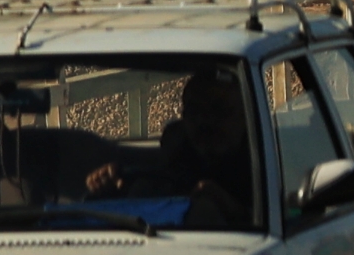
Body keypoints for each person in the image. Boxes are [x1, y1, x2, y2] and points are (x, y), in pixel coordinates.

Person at [86, 64, 255, 229]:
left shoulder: (265, 162)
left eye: (219, 111)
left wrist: (232, 208)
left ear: (245, 117)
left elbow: (276, 223)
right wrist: (110, 185)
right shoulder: (175, 159)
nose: (205, 122)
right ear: (184, 118)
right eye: (195, 111)